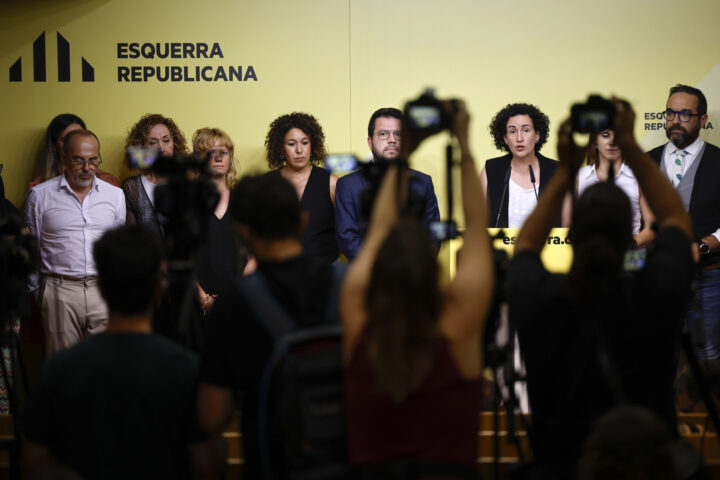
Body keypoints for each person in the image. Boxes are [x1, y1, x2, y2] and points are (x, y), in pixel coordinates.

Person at [508, 98, 694, 478]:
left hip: (562, 467)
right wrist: (633, 143)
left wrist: (562, 170)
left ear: (574, 233)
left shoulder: (545, 301)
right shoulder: (654, 295)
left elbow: (525, 247)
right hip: (648, 468)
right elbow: (676, 219)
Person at [342, 101, 493, 477]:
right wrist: (464, 143)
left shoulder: (357, 323)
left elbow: (376, 232)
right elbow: (477, 227)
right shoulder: (458, 332)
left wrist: (404, 153)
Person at [21, 226, 222, 479]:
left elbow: (34, 459)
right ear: (159, 289)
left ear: (102, 287)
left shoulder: (59, 368)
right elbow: (207, 465)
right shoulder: (186, 370)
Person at [197, 173, 335, 479]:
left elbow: (212, 415)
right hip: (343, 460)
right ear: (303, 220)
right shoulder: (346, 287)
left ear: (242, 232)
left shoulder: (233, 304)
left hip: (272, 463)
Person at [24, 129, 125, 355]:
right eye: (79, 161)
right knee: (63, 371)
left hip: (103, 291)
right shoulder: (39, 196)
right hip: (59, 291)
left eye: (93, 160)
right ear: (63, 158)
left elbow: (118, 249)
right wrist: (39, 292)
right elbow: (32, 249)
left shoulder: (115, 196)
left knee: (103, 367)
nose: (87, 168)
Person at [647, 84, 720, 363]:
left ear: (702, 119)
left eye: (685, 114)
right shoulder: (646, 162)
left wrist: (702, 247)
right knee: (656, 357)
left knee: (709, 357)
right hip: (654, 277)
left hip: (709, 279)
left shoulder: (718, 161)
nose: (675, 120)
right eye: (670, 113)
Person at [335, 107, 440, 260]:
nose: (392, 139)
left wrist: (413, 268)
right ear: (370, 142)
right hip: (367, 276)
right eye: (383, 134)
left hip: (413, 275)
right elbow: (347, 238)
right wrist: (380, 268)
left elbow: (433, 235)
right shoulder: (347, 185)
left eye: (398, 134)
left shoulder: (423, 182)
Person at [264, 112, 338, 266]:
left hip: (324, 271)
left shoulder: (331, 183)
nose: (299, 150)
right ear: (281, 148)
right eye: (291, 144)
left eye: (304, 142)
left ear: (313, 145)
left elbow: (348, 230)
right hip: (279, 271)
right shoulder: (268, 183)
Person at [192, 127, 247, 315]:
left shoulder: (244, 199)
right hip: (198, 302)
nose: (218, 158)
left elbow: (256, 254)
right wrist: (202, 297)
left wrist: (237, 296)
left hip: (240, 300)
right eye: (210, 153)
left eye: (223, 152)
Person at [481, 103, 557, 228]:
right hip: (501, 246)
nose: (519, 138)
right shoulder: (491, 169)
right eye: (512, 131)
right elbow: (478, 222)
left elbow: (567, 227)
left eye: (526, 130)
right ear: (505, 138)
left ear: (537, 135)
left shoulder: (556, 171)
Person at [576, 129, 655, 248]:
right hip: (589, 256)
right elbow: (567, 224)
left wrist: (630, 244)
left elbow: (652, 226)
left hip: (631, 255)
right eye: (606, 135)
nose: (612, 142)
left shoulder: (639, 176)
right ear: (595, 140)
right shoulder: (579, 177)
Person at [121, 113, 189, 237]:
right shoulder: (132, 187)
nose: (161, 148)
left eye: (166, 141)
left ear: (175, 144)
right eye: (153, 143)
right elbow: (130, 239)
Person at [27, 114, 118, 191]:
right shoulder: (38, 188)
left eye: (79, 137)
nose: (76, 144)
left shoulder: (107, 181)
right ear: (54, 146)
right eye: (66, 139)